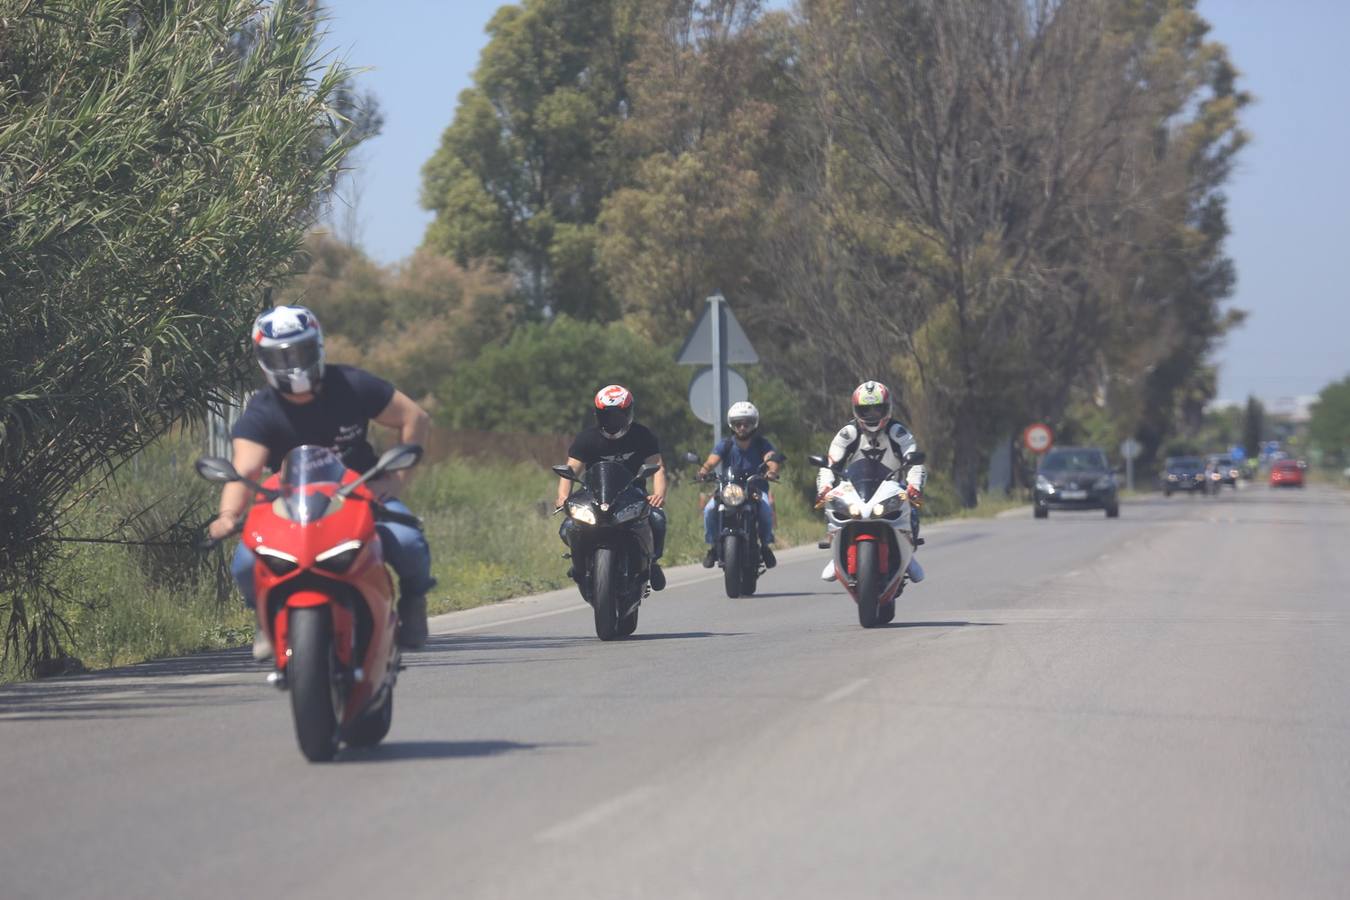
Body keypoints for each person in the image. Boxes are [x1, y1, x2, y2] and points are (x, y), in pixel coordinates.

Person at [206, 305, 434, 660]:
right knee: (247, 563)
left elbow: (414, 418)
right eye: (280, 356)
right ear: (262, 358)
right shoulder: (262, 411)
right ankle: (267, 619)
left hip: (361, 496)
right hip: (286, 506)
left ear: (318, 347)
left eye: (300, 351)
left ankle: (414, 600)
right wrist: (227, 515)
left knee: (407, 541)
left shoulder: (353, 385)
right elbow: (245, 470)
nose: (292, 363)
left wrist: (395, 481)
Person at [555, 384, 668, 591]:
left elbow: (658, 467)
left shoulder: (642, 435)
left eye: (617, 415)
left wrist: (658, 494)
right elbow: (571, 470)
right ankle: (580, 566)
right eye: (606, 415)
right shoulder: (586, 439)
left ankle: (652, 563)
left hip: (632, 495)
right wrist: (563, 496)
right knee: (568, 527)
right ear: (598, 415)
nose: (612, 421)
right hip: (594, 496)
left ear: (628, 413)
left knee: (658, 519)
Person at [815, 381, 927, 583]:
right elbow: (830, 462)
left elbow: (914, 460)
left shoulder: (899, 433)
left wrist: (914, 486)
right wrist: (824, 488)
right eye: (866, 410)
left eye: (877, 409)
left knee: (912, 507)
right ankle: (835, 551)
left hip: (892, 486)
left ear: (887, 408)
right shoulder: (847, 433)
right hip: (855, 487)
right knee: (832, 504)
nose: (872, 415)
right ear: (856, 410)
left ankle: (908, 554)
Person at [695, 401, 781, 569]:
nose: (742, 427)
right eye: (738, 424)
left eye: (746, 423)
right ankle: (712, 547)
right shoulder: (726, 444)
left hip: (755, 489)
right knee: (709, 509)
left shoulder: (761, 444)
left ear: (753, 424)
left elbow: (771, 459)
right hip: (729, 489)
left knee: (765, 510)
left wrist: (771, 471)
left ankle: (765, 546)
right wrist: (703, 472)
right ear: (732, 425)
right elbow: (712, 461)